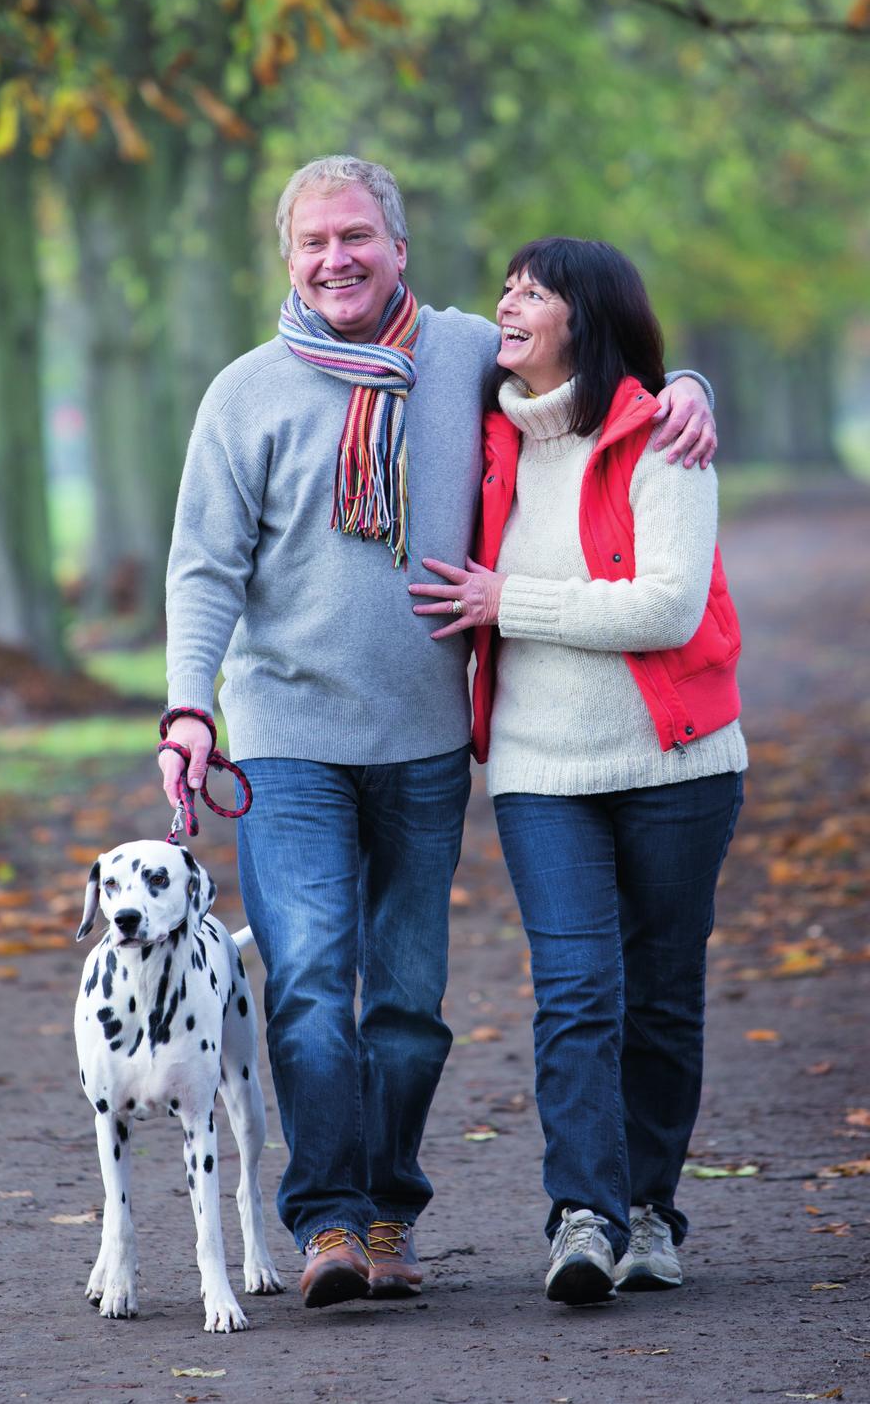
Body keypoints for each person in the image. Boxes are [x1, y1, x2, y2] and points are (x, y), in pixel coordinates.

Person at [159, 158, 717, 1310]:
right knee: (311, 982)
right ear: (287, 259)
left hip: (422, 742)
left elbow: (594, 366)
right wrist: (187, 709)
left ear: (399, 247)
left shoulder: (465, 352)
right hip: (285, 736)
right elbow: (203, 569)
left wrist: (691, 384)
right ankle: (324, 1222)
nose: (336, 260)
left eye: (356, 236)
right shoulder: (245, 393)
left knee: (407, 1006)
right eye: (312, 243)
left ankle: (388, 1213)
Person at [409, 236, 746, 1306]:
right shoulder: (480, 431)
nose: (506, 302)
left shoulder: (662, 437)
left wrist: (512, 599)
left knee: (659, 994)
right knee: (575, 993)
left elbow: (665, 604)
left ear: (585, 320)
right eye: (505, 285)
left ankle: (651, 1209)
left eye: (533, 289)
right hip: (537, 767)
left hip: (677, 760)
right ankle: (582, 1216)